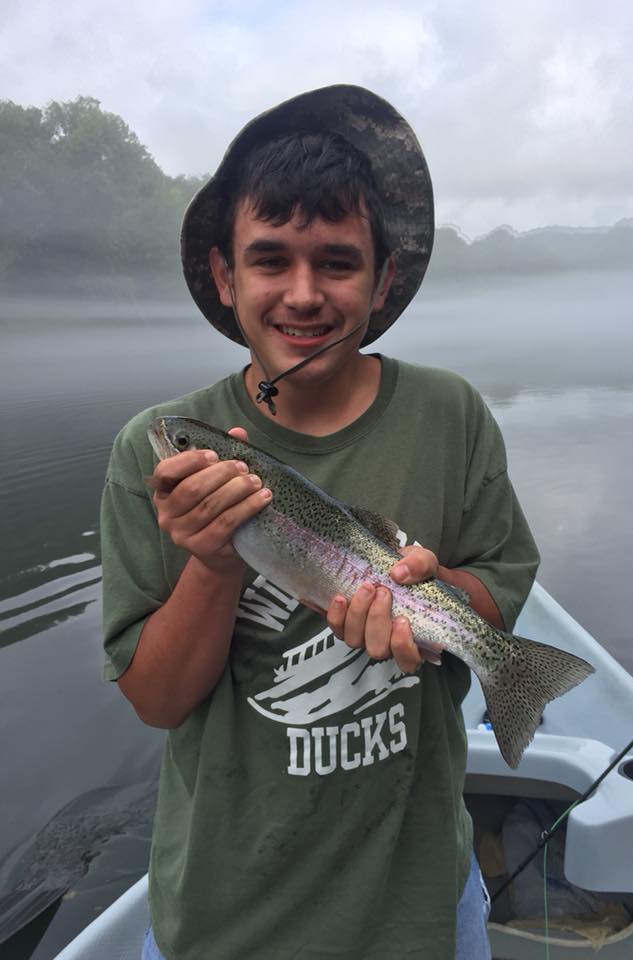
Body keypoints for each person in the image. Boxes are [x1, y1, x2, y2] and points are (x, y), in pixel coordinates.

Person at [101, 84, 540, 960]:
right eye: (270, 260)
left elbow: (497, 590)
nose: (303, 295)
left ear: (382, 280)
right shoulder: (151, 458)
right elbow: (155, 701)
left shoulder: (449, 415)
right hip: (226, 915)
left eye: (337, 263)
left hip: (420, 906)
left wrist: (434, 596)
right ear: (226, 277)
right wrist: (216, 562)